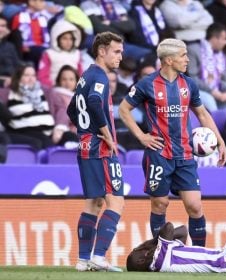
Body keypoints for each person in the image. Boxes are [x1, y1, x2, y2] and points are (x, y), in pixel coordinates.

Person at [118, 38, 226, 246]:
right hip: (159, 155)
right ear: (168, 60)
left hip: (185, 154)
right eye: (183, 56)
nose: (187, 60)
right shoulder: (146, 84)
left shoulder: (188, 84)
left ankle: (199, 255)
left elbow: (203, 115)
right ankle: (161, 252)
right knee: (160, 204)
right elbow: (124, 110)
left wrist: (220, 142)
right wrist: (142, 136)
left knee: (195, 205)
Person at [66, 31, 125, 272]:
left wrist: (85, 131)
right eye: (116, 51)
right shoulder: (99, 77)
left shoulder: (85, 75)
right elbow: (92, 102)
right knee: (116, 201)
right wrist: (107, 134)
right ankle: (99, 256)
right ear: (102, 51)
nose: (120, 57)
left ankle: (82, 260)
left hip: (85, 145)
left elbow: (72, 109)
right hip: (100, 148)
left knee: (93, 203)